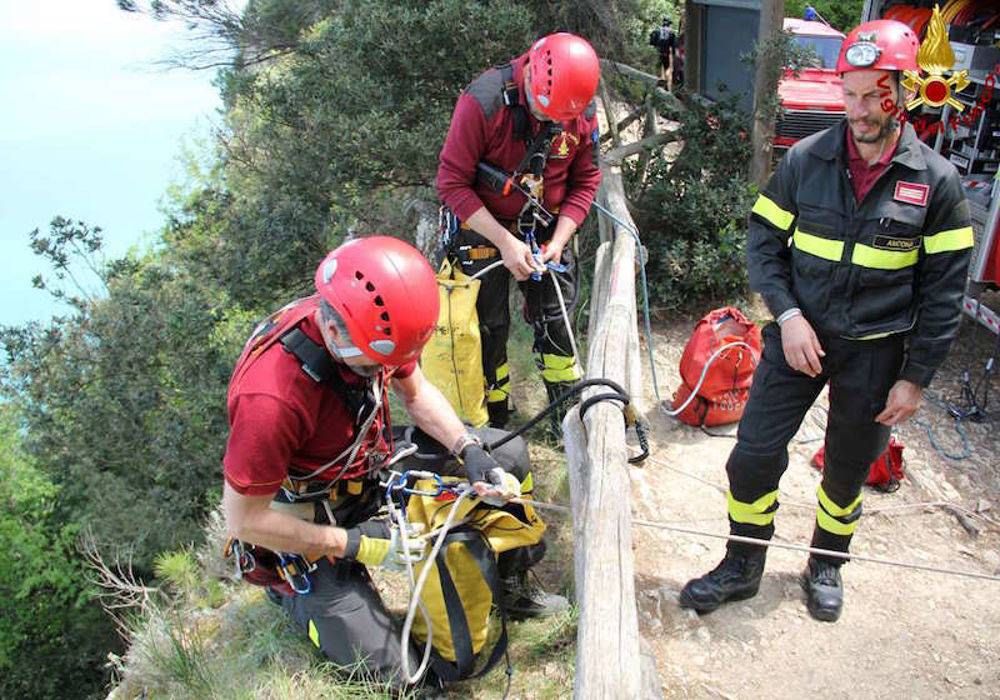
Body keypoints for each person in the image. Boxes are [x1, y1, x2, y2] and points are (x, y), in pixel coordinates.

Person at [679, 20, 973, 622]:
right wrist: (786, 316)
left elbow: (945, 293)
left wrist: (914, 378)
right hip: (798, 338)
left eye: (874, 95)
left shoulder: (937, 184)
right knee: (753, 453)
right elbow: (763, 244)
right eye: (850, 93)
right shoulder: (806, 160)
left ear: (904, 93)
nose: (859, 110)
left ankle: (827, 561)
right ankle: (743, 564)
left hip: (876, 352)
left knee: (847, 467)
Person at [221, 236, 567, 688]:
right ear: (332, 331)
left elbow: (417, 392)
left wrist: (468, 449)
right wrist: (356, 544)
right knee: (400, 675)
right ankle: (296, 598)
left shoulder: (377, 326)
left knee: (508, 454)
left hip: (368, 464)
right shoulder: (272, 398)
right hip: (308, 512)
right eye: (372, 367)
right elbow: (244, 520)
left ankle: (510, 584)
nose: (383, 372)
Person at [436, 32, 602, 430]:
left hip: (547, 225)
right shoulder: (484, 101)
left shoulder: (580, 110)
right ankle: (495, 424)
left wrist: (560, 241)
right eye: (545, 115)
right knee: (487, 329)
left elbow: (586, 180)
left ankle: (567, 419)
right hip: (481, 228)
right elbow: (451, 183)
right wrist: (504, 243)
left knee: (556, 321)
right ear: (531, 79)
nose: (550, 123)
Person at [649, 17, 677, 90]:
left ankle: (656, 83)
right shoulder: (671, 32)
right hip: (666, 53)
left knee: (657, 67)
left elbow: (652, 42)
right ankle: (666, 86)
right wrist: (674, 55)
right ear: (669, 24)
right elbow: (673, 46)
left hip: (657, 52)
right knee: (666, 69)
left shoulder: (657, 31)